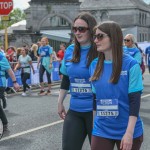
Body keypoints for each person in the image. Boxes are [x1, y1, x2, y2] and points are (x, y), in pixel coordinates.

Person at [90, 21, 143, 150]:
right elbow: (95, 98)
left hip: (127, 130)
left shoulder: (131, 65)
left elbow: (134, 102)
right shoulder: (94, 65)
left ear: (113, 38)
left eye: (100, 36)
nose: (96, 40)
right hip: (101, 129)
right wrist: (94, 125)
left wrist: (129, 133)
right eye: (95, 36)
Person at [58, 12, 98, 150]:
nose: (77, 32)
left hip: (97, 112)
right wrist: (60, 102)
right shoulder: (70, 50)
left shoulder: (100, 51)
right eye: (74, 29)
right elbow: (66, 79)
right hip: (75, 110)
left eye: (81, 29)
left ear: (91, 30)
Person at [0, 53, 19, 131]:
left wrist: (14, 82)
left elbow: (9, 70)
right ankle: (3, 98)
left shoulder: (1, 57)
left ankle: (5, 124)